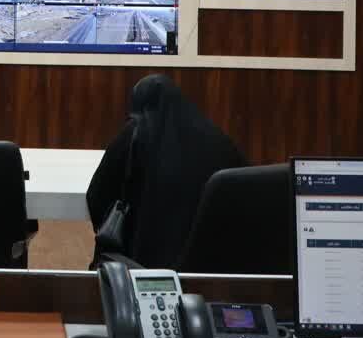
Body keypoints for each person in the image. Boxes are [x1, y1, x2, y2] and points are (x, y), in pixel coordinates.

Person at [86, 73, 247, 269]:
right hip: (210, 267)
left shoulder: (134, 134)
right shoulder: (219, 140)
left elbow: (98, 196)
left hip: (142, 265)